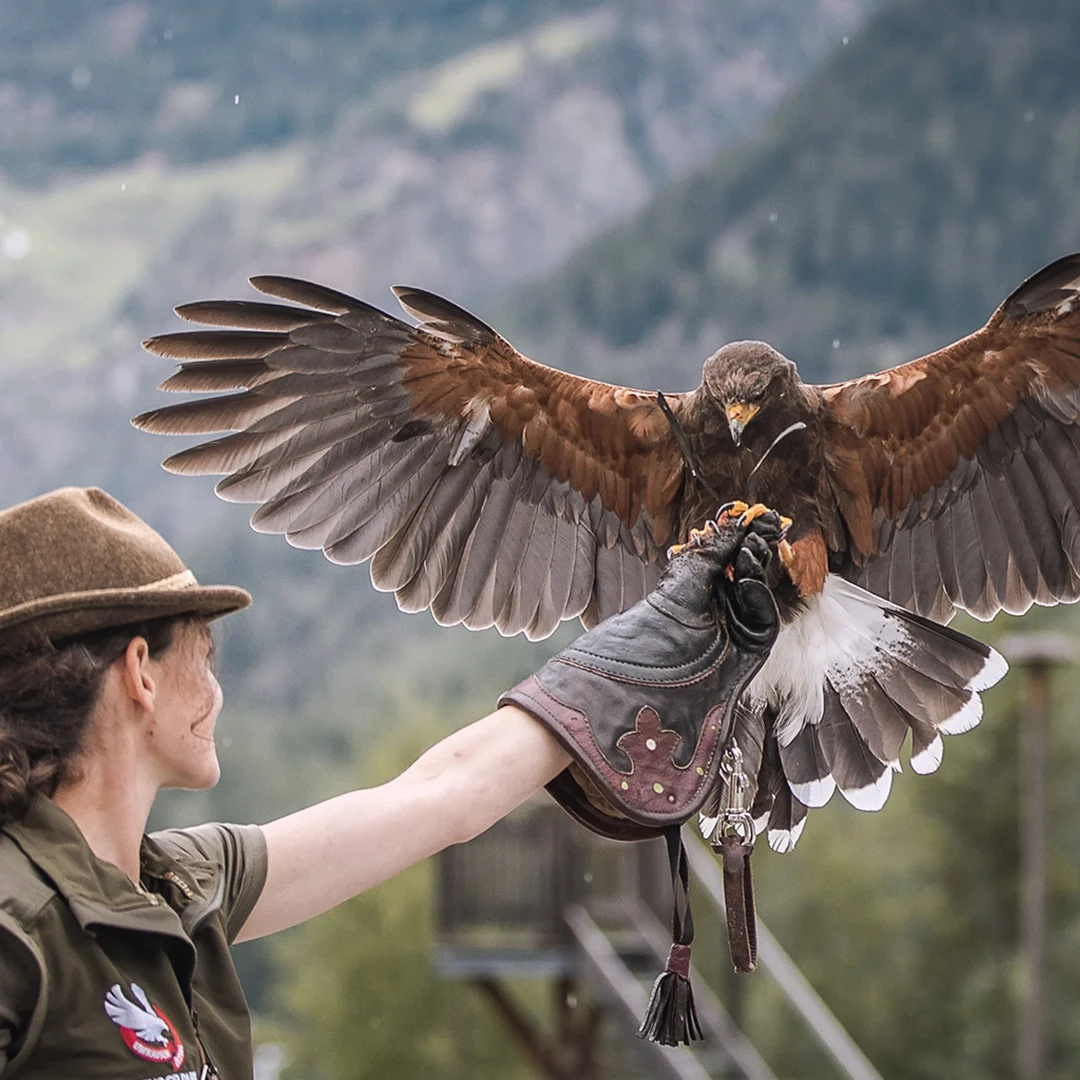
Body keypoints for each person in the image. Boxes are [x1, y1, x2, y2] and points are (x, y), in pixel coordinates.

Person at [0, 486, 779, 1078]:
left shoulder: (184, 885)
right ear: (140, 671)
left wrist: (663, 641)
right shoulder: (18, 926)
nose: (215, 691)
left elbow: (443, 796)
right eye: (203, 657)